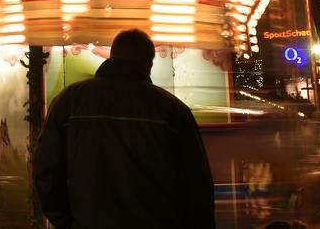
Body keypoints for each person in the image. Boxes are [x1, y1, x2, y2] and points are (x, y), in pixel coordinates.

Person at [33, 29, 215, 228]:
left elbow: (46, 170)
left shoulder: (69, 102)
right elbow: (197, 186)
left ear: (113, 56)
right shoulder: (173, 111)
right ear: (149, 64)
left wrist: (68, 221)